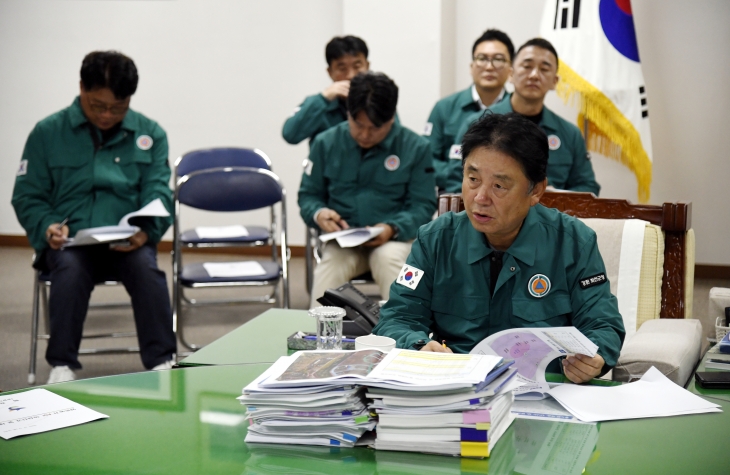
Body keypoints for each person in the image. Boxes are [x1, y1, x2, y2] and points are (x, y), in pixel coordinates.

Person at [373, 112, 624, 383]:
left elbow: (602, 324)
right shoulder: (435, 240)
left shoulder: (574, 242)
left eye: (499, 186)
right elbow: (397, 317)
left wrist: (594, 358)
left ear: (536, 190)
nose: (480, 197)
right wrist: (418, 344)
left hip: (545, 392)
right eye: (473, 179)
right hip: (458, 391)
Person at [11, 51, 177, 384]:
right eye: (97, 105)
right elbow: (27, 195)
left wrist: (147, 231)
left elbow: (159, 192)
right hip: (70, 242)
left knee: (148, 272)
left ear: (130, 98)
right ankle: (62, 365)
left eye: (118, 108)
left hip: (128, 240)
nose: (106, 115)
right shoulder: (47, 133)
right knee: (69, 273)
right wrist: (47, 227)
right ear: (81, 88)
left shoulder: (150, 133)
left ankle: (163, 361)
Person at [298, 72, 436, 307]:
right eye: (357, 124)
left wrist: (392, 228)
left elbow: (423, 205)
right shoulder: (326, 143)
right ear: (348, 113)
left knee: (390, 261)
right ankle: (319, 337)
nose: (364, 134)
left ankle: (404, 334)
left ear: (391, 117)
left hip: (394, 239)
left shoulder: (415, 147)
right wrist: (319, 214)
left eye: (374, 128)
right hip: (343, 241)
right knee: (329, 268)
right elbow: (308, 196)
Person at [455, 38, 600, 195]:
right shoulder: (477, 124)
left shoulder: (570, 134)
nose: (534, 75)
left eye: (544, 69)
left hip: (550, 217)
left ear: (554, 81)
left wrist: (556, 197)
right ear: (511, 74)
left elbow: (587, 187)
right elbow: (456, 182)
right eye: (527, 66)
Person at [424, 29, 514, 193]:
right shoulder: (444, 108)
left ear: (510, 70)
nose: (489, 66)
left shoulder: (517, 113)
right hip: (452, 195)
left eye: (498, 60)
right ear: (471, 66)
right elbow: (427, 161)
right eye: (482, 59)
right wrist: (467, 176)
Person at [282, 35, 370, 145]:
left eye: (357, 66)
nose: (350, 75)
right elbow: (290, 135)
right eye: (342, 69)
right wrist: (323, 99)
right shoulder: (319, 104)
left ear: (367, 66)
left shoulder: (379, 101)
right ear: (330, 72)